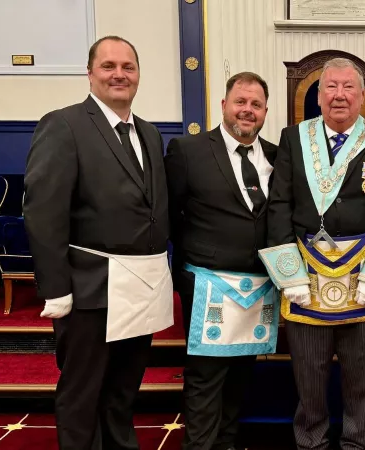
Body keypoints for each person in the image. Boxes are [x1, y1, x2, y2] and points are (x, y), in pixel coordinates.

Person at [23, 36, 173, 449]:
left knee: (124, 389)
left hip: (140, 285)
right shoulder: (64, 124)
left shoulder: (148, 132)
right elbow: (43, 211)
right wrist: (56, 289)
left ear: (139, 75)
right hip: (89, 288)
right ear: (90, 73)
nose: (119, 74)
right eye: (109, 66)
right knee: (82, 391)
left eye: (128, 66)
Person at [258, 57, 365, 450]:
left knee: (361, 375)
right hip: (305, 274)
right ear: (319, 94)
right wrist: (287, 273)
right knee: (308, 373)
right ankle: (311, 442)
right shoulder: (294, 138)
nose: (339, 95)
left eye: (348, 87)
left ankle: (358, 443)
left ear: (362, 96)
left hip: (362, 273)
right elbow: (279, 205)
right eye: (331, 87)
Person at [164, 72, 279, 450]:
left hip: (258, 287)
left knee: (241, 375)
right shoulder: (188, 150)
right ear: (224, 105)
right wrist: (187, 273)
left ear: (265, 112)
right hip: (208, 284)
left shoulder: (277, 155)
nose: (248, 111)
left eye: (256, 105)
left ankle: (227, 443)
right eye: (241, 102)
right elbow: (171, 216)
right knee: (205, 378)